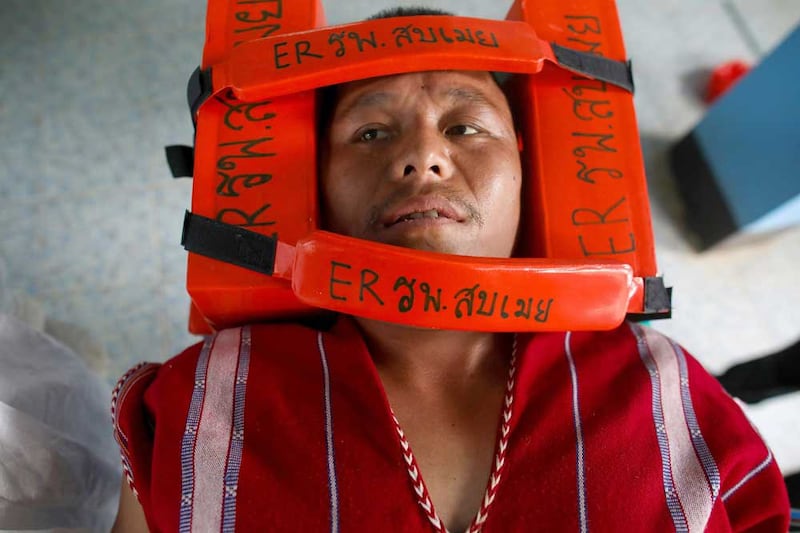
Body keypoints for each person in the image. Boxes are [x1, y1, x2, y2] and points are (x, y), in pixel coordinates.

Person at [112, 7, 791, 532]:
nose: (423, 158)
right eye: (371, 132)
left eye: (466, 127)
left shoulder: (669, 392)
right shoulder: (198, 399)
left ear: (529, 168)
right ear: (317, 183)